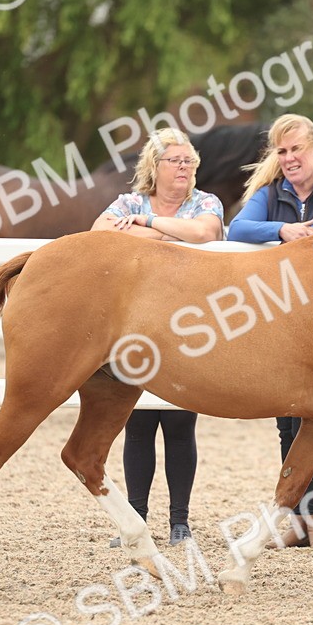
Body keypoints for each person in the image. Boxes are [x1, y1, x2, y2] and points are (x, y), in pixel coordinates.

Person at [228, 113, 313, 549]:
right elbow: (238, 228)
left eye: (296, 150)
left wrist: (309, 236)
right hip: (281, 321)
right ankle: (297, 519)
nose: (289, 159)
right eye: (282, 151)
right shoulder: (272, 195)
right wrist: (282, 229)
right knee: (286, 423)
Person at [92, 128, 224, 546]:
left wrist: (146, 227)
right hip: (136, 325)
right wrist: (171, 236)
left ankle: (179, 521)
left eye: (189, 161)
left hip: (188, 325)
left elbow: (206, 232)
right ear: (155, 166)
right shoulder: (126, 201)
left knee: (181, 423)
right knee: (138, 423)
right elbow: (99, 235)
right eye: (176, 161)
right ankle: (136, 517)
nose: (185, 167)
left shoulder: (204, 202)